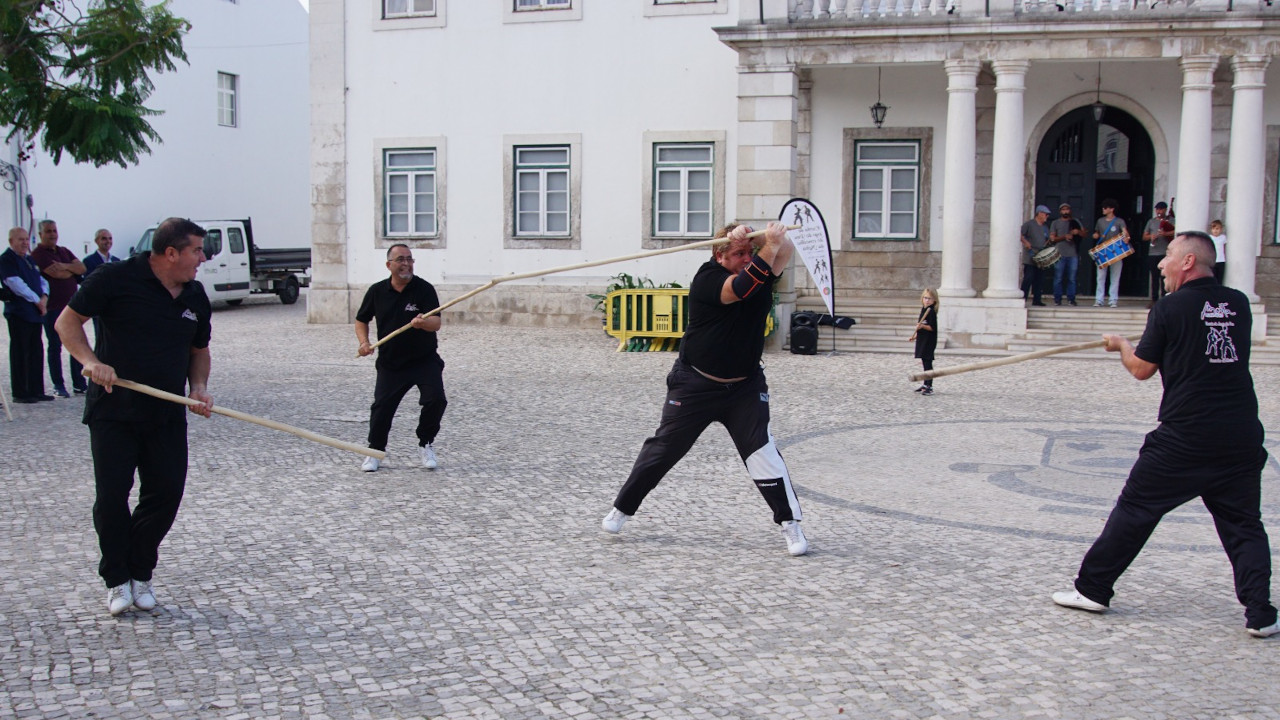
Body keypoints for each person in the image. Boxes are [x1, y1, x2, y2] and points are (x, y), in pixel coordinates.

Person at [1052, 231, 1278, 638]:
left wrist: (1121, 344)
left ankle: (1093, 589)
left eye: (1169, 256)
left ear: (1188, 262)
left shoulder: (1169, 308)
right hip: (1240, 435)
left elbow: (1141, 369)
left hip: (1186, 436)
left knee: (1135, 509)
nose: (1161, 263)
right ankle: (1260, 613)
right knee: (1244, 525)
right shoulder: (1239, 304)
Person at [599, 222, 809, 557]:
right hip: (696, 383)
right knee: (663, 449)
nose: (745, 259)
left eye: (748, 253)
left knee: (763, 453)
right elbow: (740, 288)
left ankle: (790, 524)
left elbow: (780, 255)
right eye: (738, 254)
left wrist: (776, 238)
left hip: (744, 387)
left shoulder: (759, 268)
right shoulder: (707, 279)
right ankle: (622, 509)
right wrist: (765, 245)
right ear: (720, 255)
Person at [55, 217, 214, 616]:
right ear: (171, 252)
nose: (203, 257)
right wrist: (91, 361)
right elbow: (66, 323)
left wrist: (197, 388)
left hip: (166, 412)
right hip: (114, 411)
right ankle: (116, 579)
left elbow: (198, 350)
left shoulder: (194, 295)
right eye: (196, 249)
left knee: (165, 494)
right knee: (112, 498)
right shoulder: (114, 279)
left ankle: (140, 571)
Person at [355, 243, 448, 472]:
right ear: (389, 265)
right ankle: (374, 452)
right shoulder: (377, 291)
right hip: (391, 363)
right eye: (400, 260)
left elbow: (436, 323)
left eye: (409, 259)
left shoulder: (424, 289)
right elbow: (361, 320)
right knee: (382, 408)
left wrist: (422, 323)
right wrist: (364, 343)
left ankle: (425, 443)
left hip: (424, 360)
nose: (406, 264)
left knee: (436, 400)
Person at [31, 219, 87, 396]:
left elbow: (82, 267)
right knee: (55, 346)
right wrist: (71, 269)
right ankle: (58, 385)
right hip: (53, 307)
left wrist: (65, 266)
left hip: (71, 307)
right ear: (40, 234)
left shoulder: (63, 251)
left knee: (76, 344)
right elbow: (56, 273)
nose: (52, 234)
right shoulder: (38, 254)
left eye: (54, 230)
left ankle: (79, 383)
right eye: (48, 231)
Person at [1, 227, 52, 403]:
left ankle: (36, 389)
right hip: (19, 312)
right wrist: (37, 300)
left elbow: (42, 280)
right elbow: (15, 284)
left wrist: (44, 297)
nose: (24, 242)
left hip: (35, 313)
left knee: (36, 351)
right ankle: (21, 392)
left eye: (26, 239)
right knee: (20, 352)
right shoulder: (7, 260)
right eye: (20, 239)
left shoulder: (29, 260)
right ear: (11, 241)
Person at [1091, 199, 1129, 308]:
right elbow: (1096, 232)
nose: (1103, 209)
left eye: (1105, 207)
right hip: (1103, 250)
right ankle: (1099, 299)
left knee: (1115, 277)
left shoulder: (1119, 221)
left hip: (1115, 251)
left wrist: (1127, 238)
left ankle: (1113, 300)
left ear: (1111, 209)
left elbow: (1125, 232)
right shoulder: (1100, 221)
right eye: (1103, 207)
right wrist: (1096, 236)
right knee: (1100, 277)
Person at [1049, 203, 1083, 306]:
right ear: (1060, 211)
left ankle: (1071, 299)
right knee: (1058, 277)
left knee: (1072, 278)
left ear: (1070, 211)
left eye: (1067, 209)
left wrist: (1078, 232)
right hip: (1059, 253)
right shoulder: (1055, 223)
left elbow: (1084, 234)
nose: (1065, 211)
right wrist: (1064, 237)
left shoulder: (1075, 222)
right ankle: (1057, 299)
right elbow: (1052, 238)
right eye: (1063, 210)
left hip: (1073, 254)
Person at [1141, 201, 1174, 306]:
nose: (1159, 211)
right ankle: (1154, 299)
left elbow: (1176, 231)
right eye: (1157, 209)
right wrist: (1151, 237)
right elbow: (1144, 236)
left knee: (1164, 277)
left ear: (1165, 210)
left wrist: (1165, 233)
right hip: (1153, 253)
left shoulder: (1171, 220)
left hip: (1165, 253)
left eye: (1161, 209)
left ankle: (1164, 299)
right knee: (1154, 277)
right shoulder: (1151, 222)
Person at [1020, 205, 1051, 307]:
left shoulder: (1045, 227)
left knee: (1039, 279)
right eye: (1045, 214)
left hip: (1041, 256)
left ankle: (1037, 300)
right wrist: (1026, 243)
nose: (1047, 216)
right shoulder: (1029, 224)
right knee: (1028, 277)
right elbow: (1020, 234)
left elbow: (1046, 239)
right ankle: (1023, 298)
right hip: (1030, 256)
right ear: (1039, 213)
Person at [912, 288, 938, 396]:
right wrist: (916, 335)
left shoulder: (930, 311)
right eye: (925, 298)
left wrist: (922, 326)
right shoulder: (924, 309)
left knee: (928, 363)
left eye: (929, 298)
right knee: (924, 362)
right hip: (923, 340)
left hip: (929, 341)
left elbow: (932, 328)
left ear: (934, 301)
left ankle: (929, 386)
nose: (927, 300)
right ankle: (925, 383)